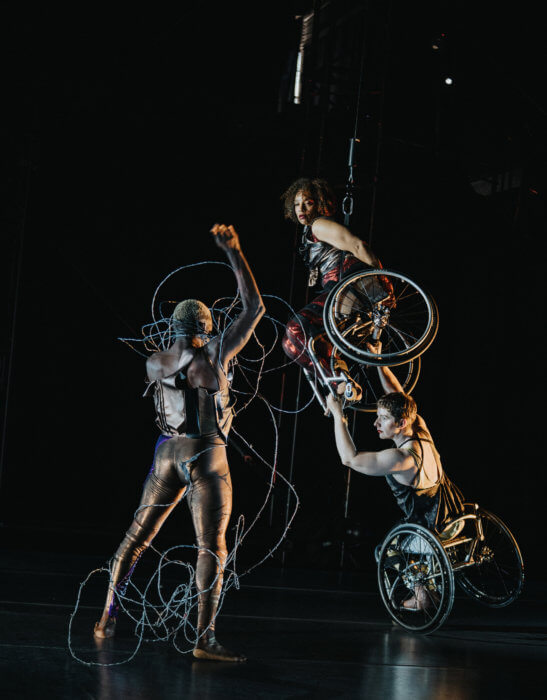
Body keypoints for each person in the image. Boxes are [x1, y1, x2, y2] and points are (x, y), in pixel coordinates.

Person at [93, 224, 265, 661]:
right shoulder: (214, 353)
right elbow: (255, 307)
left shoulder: (154, 361)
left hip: (165, 455)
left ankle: (106, 617)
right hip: (206, 455)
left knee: (136, 536)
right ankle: (204, 639)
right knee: (212, 546)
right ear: (206, 327)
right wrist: (234, 251)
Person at [325, 343, 464, 611]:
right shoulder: (420, 429)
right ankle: (425, 589)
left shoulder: (400, 459)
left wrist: (338, 414)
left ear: (400, 423)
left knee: (384, 551)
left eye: (383, 418)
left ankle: (421, 594)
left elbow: (349, 459)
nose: (376, 424)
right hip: (449, 515)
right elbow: (399, 395)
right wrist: (379, 360)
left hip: (427, 530)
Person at [281, 177, 384, 398]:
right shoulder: (309, 232)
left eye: (307, 202)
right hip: (340, 290)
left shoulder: (319, 225)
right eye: (297, 204)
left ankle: (338, 381)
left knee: (295, 330)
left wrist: (383, 280)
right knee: (294, 344)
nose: (301, 209)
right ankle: (342, 380)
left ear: (318, 203)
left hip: (352, 284)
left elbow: (357, 245)